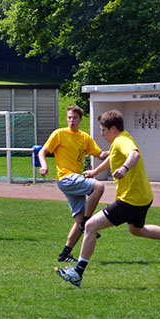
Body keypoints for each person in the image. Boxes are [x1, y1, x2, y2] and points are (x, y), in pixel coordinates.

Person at [55, 110, 160, 287]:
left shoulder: (122, 141)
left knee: (90, 226)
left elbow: (134, 154)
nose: (101, 134)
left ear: (113, 129)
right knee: (137, 230)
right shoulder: (120, 140)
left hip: (130, 199)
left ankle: (77, 273)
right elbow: (112, 158)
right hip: (143, 197)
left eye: (103, 130)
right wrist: (95, 171)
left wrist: (124, 168)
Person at [38, 105, 109, 263]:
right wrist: (44, 165)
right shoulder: (59, 134)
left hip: (74, 179)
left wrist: (115, 150)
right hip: (66, 178)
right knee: (99, 186)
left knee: (79, 221)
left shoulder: (85, 137)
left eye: (74, 118)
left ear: (80, 119)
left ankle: (65, 254)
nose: (71, 120)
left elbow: (100, 154)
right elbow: (42, 151)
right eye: (69, 117)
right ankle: (87, 221)